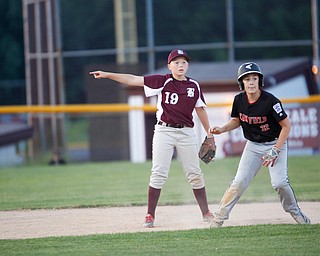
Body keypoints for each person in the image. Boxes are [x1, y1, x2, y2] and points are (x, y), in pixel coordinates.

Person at [90, 49, 215, 228]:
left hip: (187, 132)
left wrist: (209, 133)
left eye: (184, 62)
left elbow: (200, 109)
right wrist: (108, 75)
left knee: (195, 174)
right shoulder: (162, 81)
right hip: (164, 131)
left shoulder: (194, 85)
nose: (180, 65)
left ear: (188, 65)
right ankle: (150, 214)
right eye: (177, 62)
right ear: (169, 65)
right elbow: (133, 79)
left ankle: (206, 212)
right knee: (158, 173)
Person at [208, 62, 311, 227]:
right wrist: (222, 129)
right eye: (247, 79)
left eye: (254, 78)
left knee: (279, 183)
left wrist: (276, 150)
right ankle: (219, 218)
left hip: (275, 143)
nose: (250, 82)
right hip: (253, 146)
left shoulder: (270, 101)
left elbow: (286, 125)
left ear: (259, 81)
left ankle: (296, 213)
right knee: (239, 181)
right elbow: (237, 120)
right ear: (242, 83)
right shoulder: (239, 100)